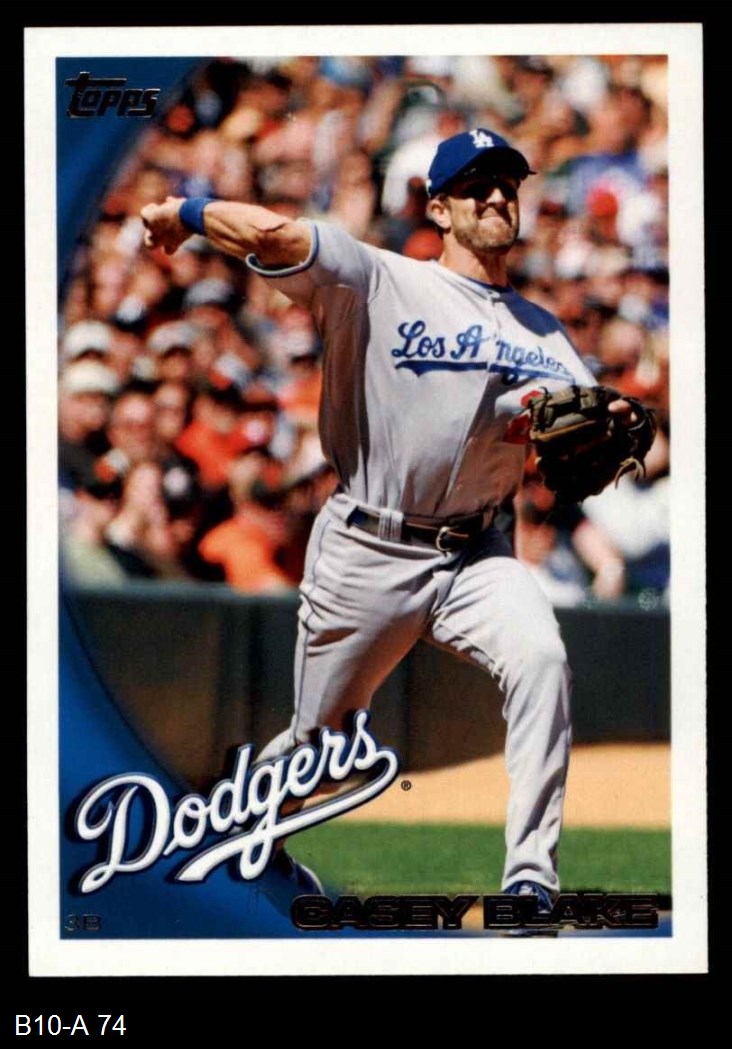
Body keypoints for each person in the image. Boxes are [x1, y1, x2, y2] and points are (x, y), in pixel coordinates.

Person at [141, 127, 642, 928]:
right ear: (438, 208)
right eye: (475, 185)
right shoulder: (377, 278)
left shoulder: (547, 334)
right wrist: (188, 213)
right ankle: (234, 835)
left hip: (478, 552)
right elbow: (273, 234)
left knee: (542, 657)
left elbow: (584, 438)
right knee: (321, 752)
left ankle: (530, 881)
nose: (496, 196)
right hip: (369, 545)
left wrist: (603, 421)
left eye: (507, 183)